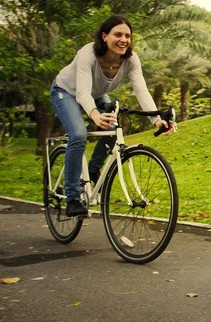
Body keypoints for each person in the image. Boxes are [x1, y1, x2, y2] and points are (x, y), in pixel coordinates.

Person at [50, 15, 175, 217]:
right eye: (118, 34)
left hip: (96, 94)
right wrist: (94, 114)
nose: (123, 39)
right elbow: (82, 91)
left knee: (112, 128)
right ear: (105, 36)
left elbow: (141, 90)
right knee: (79, 134)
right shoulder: (87, 54)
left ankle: (91, 171)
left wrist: (156, 120)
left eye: (127, 35)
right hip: (66, 92)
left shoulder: (131, 59)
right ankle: (72, 197)